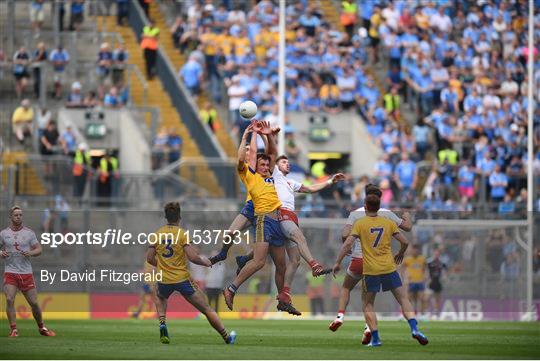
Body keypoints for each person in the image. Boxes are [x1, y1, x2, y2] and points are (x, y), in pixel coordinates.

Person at [233, 154, 344, 309]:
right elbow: (270, 154)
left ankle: (284, 292)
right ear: (276, 166)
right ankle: (314, 266)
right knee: (297, 238)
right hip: (280, 215)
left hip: (289, 217)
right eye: (284, 162)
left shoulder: (290, 182)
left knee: (295, 260)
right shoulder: (275, 176)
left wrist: (331, 181)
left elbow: (311, 188)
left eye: (288, 161)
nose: (287, 164)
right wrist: (268, 137)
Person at [221, 122, 301, 314]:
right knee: (259, 262)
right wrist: (247, 137)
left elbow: (272, 153)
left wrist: (268, 136)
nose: (266, 165)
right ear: (255, 165)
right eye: (261, 163)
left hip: (278, 222)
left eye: (267, 164)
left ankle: (282, 300)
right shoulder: (251, 176)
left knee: (281, 266)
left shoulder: (272, 177)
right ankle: (231, 289)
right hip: (264, 220)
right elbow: (242, 158)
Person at [332, 194, 428, 347]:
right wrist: (400, 253)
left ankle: (375, 337)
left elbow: (347, 243)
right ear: (379, 207)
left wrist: (338, 262)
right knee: (403, 299)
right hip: (389, 267)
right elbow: (405, 241)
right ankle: (415, 329)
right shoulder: (387, 222)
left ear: (365, 207)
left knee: (368, 303)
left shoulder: (360, 223)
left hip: (371, 270)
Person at [146, 202, 236, 345]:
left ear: (165, 217)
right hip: (182, 279)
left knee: (159, 295)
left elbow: (149, 258)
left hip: (164, 278)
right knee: (207, 309)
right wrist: (206, 262)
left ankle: (162, 323)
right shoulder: (182, 234)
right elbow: (193, 257)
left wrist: (164, 266)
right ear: (179, 217)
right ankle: (227, 337)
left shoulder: (157, 234)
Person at [0, 206, 56, 337]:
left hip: (26, 273)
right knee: (9, 299)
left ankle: (42, 327)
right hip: (10, 271)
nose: (19, 217)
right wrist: (1, 252)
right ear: (11, 217)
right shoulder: (3, 234)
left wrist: (30, 252)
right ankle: (14, 329)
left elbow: (39, 249)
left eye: (20, 215)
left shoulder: (29, 233)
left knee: (34, 303)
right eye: (16, 215)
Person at [402, 244, 427, 314]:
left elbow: (425, 268)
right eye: (413, 249)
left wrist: (425, 275)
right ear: (411, 250)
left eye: (416, 250)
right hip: (411, 282)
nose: (415, 251)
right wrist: (404, 277)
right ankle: (409, 313)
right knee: (410, 299)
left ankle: (422, 314)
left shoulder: (422, 259)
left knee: (422, 298)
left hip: (420, 281)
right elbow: (402, 268)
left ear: (418, 250)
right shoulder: (407, 259)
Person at [426, 248, 446, 317]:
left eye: (438, 254)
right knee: (427, 297)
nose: (436, 255)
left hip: (438, 282)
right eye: (435, 254)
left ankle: (437, 312)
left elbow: (444, 271)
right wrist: (427, 279)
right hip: (431, 282)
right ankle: (428, 311)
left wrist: (444, 278)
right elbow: (426, 270)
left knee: (437, 298)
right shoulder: (429, 262)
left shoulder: (442, 263)